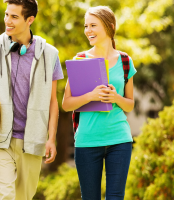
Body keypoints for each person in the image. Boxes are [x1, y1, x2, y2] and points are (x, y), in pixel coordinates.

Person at [0, 0, 64, 199]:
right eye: (6, 15)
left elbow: (52, 101)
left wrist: (51, 138)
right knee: (4, 195)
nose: (7, 21)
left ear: (30, 19)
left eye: (14, 17)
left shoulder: (50, 54)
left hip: (32, 140)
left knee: (23, 196)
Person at [61, 6, 136, 200]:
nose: (88, 30)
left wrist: (116, 98)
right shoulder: (80, 60)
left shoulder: (125, 61)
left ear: (109, 27)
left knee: (115, 197)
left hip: (119, 139)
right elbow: (67, 104)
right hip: (87, 140)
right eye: (86, 26)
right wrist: (91, 96)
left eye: (93, 25)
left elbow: (130, 104)